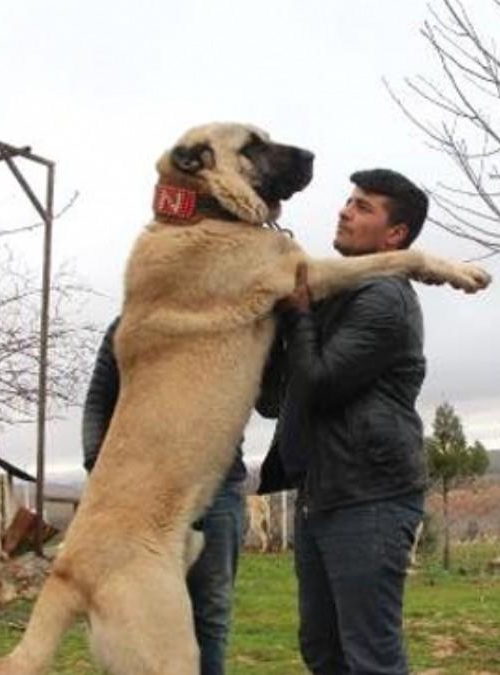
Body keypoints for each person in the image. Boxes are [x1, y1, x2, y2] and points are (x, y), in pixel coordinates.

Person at [257, 168, 429, 674]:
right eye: (348, 200)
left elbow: (321, 384)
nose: (344, 210)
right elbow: (274, 401)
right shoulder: (337, 297)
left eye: (363, 207)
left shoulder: (386, 298)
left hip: (370, 496)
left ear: (395, 235)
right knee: (324, 651)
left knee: (370, 657)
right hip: (323, 493)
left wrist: (299, 315)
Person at [82, 317, 247, 675]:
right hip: (138, 497)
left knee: (209, 617)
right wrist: (99, 468)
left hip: (214, 494)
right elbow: (97, 403)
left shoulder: (228, 321)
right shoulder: (128, 326)